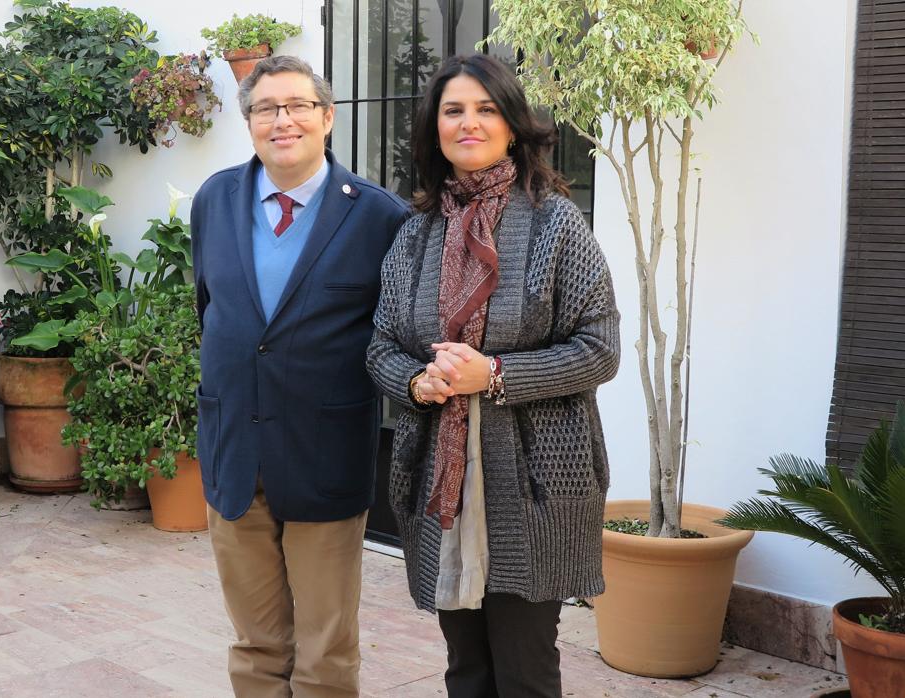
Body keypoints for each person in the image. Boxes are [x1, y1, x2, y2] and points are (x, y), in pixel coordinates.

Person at [365, 53, 621, 697]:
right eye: (454, 110)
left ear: (512, 125)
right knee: (466, 669)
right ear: (435, 129)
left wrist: (495, 373)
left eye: (486, 109)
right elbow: (381, 347)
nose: (469, 123)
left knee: (526, 669)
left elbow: (600, 349)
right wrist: (419, 383)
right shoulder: (415, 233)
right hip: (441, 482)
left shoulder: (557, 224)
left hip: (535, 483)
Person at [190, 54, 410, 698]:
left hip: (324, 458)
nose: (281, 120)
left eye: (297, 106)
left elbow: (392, 335)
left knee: (325, 650)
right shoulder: (215, 200)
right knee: (255, 643)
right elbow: (213, 311)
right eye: (265, 109)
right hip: (235, 456)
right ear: (250, 121)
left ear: (327, 118)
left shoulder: (379, 217)